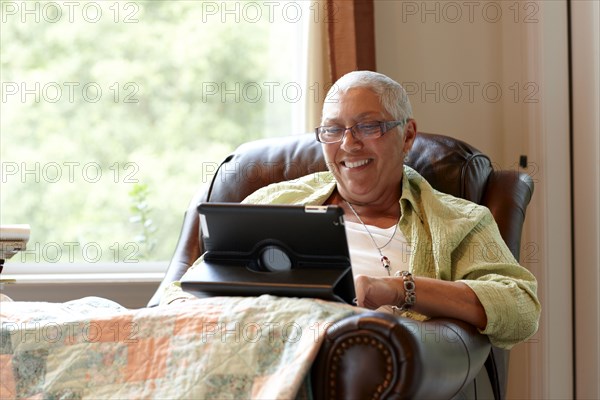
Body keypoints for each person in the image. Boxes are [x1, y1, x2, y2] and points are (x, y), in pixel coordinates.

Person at [163, 70, 540, 349]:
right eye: (333, 130)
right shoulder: (273, 200)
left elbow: (520, 306)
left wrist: (396, 289)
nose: (349, 144)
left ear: (407, 135)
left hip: (353, 358)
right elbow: (184, 290)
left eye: (368, 126)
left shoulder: (457, 220)